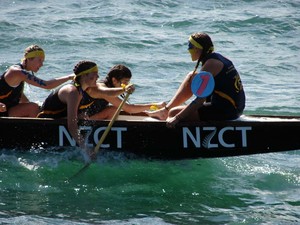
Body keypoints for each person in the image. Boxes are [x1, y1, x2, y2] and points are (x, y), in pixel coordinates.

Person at [147, 32, 245, 128]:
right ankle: (165, 111)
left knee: (173, 112)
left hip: (227, 111)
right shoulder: (216, 57)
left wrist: (177, 118)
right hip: (232, 107)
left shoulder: (210, 65)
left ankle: (169, 115)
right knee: (192, 76)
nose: (188, 49)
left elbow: (200, 100)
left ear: (197, 49)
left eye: (190, 46)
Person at [0, 44, 75, 117]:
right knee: (33, 108)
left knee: (36, 107)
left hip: (6, 109)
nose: (42, 64)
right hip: (2, 111)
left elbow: (19, 95)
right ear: (29, 58)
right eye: (40, 60)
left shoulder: (20, 73)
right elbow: (47, 85)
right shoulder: (16, 72)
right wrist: (69, 77)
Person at [81, 64, 166, 120]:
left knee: (119, 109)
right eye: (125, 82)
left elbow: (128, 109)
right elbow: (129, 108)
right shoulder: (101, 88)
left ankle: (153, 114)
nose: (126, 84)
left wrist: (151, 111)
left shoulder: (109, 85)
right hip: (82, 120)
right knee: (114, 109)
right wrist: (154, 105)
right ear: (114, 80)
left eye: (128, 82)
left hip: (92, 116)